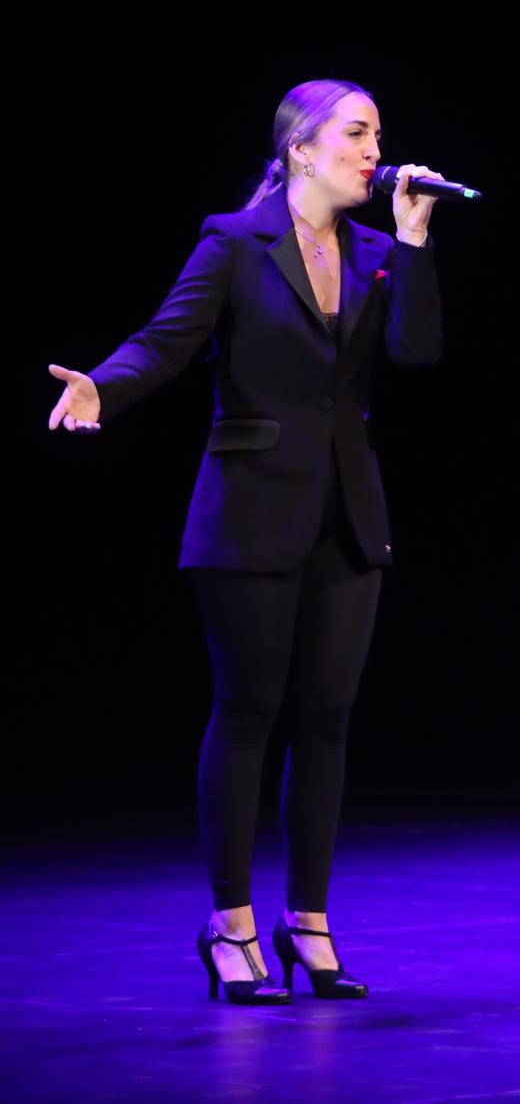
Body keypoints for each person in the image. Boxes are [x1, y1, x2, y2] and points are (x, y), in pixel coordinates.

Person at [47, 79, 446, 1000]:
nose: (374, 151)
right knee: (250, 712)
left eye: (378, 134)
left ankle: (307, 919)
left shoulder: (380, 251)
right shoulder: (236, 241)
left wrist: (418, 241)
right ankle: (229, 925)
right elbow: (167, 340)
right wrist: (101, 388)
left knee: (328, 718)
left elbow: (418, 353)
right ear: (300, 148)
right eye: (355, 134)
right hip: (250, 506)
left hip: (350, 512)